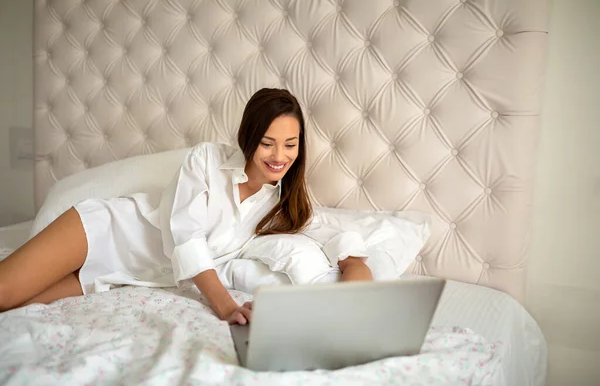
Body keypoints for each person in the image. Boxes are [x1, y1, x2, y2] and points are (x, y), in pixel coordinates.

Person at [0, 88, 373, 323]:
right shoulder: (206, 160)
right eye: (267, 142)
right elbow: (186, 237)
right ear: (248, 137)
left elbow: (331, 235)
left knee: (12, 308)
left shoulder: (281, 206)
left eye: (290, 144)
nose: (279, 155)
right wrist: (226, 306)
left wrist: (354, 276)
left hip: (120, 275)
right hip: (100, 232)